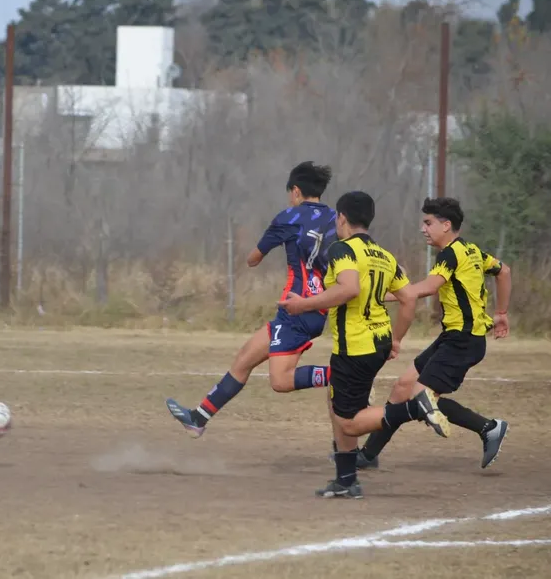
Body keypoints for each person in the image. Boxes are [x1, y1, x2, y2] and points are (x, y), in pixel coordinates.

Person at [279, 191, 449, 499]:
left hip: (355, 347)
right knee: (337, 401)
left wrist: (303, 305)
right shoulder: (385, 256)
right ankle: (346, 480)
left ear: (341, 218)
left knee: (349, 423)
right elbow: (409, 297)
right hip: (379, 342)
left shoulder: (341, 250)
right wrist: (396, 338)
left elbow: (348, 289)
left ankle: (414, 408)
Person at [166, 161, 337, 437]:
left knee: (280, 380)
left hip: (296, 306)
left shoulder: (288, 217)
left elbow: (253, 259)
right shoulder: (335, 218)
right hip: (316, 307)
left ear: (295, 191)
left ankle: (339, 376)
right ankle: (198, 418)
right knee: (245, 357)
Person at [357, 197, 511, 470]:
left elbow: (428, 288)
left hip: (463, 341)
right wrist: (501, 313)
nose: (423, 228)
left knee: (421, 398)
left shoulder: (451, 254)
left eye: (428, 223)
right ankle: (368, 455)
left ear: (446, 225)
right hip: (452, 337)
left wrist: (382, 294)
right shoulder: (471, 250)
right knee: (403, 387)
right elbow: (504, 271)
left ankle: (488, 427)